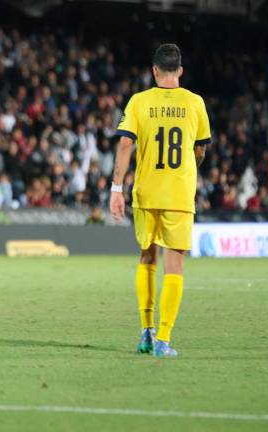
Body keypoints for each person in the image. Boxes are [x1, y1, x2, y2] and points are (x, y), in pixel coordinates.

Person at [110, 44, 211, 358]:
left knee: (146, 256)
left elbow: (125, 146)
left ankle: (146, 332)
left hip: (145, 192)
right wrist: (187, 168)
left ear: (154, 70)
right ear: (180, 70)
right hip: (179, 195)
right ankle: (164, 340)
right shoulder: (195, 103)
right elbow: (200, 149)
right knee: (174, 265)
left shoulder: (139, 101)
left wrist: (116, 187)